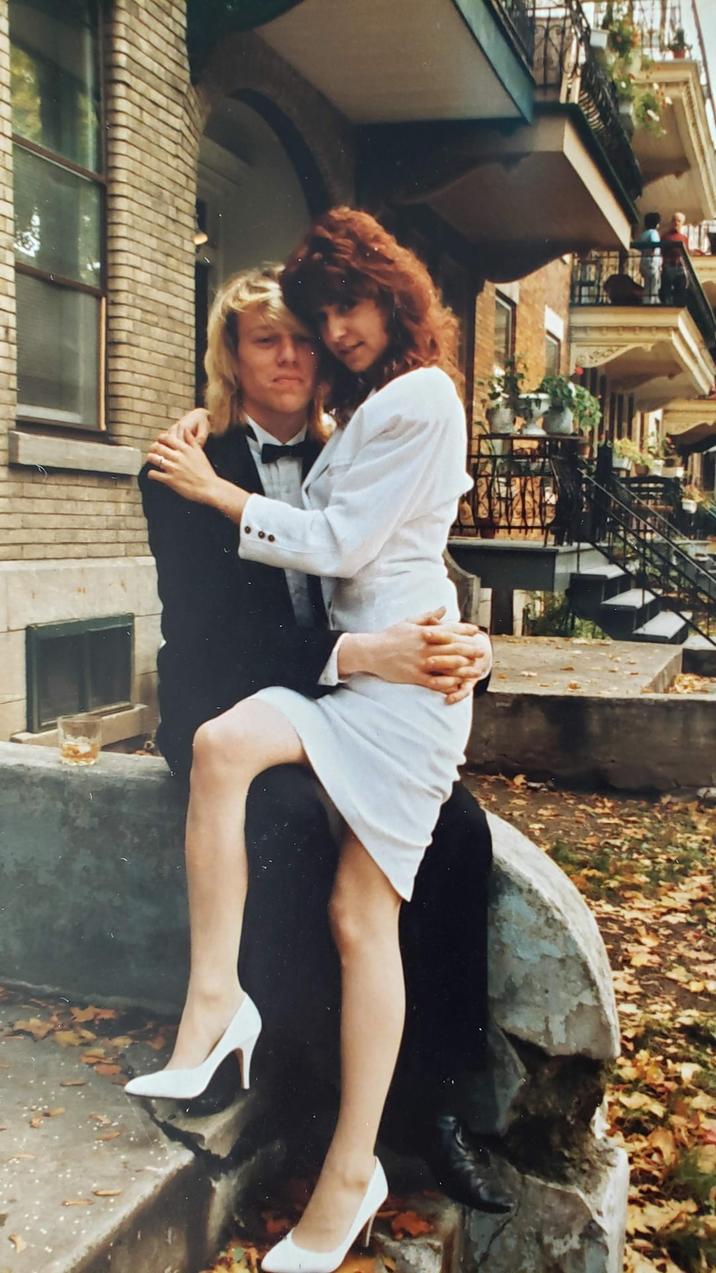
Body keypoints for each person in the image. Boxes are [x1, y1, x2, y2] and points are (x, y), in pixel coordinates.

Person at [132, 215, 505, 1270]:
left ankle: (425, 1103)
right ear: (231, 356)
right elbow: (232, 635)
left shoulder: (372, 423)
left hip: (371, 701)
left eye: (316, 330)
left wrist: (468, 650)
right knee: (278, 809)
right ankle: (289, 1074)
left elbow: (407, 565)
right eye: (274, 338)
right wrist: (363, 655)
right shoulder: (183, 464)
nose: (306, 349)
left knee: (455, 842)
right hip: (251, 686)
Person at [660, 210, 689, 305]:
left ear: (682, 223)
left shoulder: (684, 238)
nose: (676, 223)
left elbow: (686, 253)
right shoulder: (665, 236)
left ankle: (679, 307)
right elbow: (661, 251)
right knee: (666, 289)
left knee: (680, 289)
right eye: (674, 220)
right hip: (668, 266)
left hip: (680, 267)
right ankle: (666, 306)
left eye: (679, 221)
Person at [635, 212, 661, 304]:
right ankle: (651, 302)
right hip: (652, 262)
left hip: (644, 261)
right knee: (653, 284)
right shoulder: (654, 233)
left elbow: (638, 247)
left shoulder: (643, 234)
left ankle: (646, 301)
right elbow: (654, 245)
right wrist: (653, 255)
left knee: (647, 284)